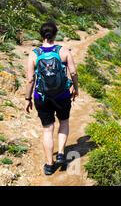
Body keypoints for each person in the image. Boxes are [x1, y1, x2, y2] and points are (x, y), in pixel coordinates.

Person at [24, 22, 79, 175]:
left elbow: (30, 80)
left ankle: (49, 165)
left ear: (41, 35)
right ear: (55, 34)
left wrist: (28, 99)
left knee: (47, 129)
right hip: (62, 95)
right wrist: (76, 88)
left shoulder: (34, 54)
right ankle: (61, 153)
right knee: (64, 122)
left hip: (42, 97)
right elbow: (73, 72)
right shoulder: (63, 50)